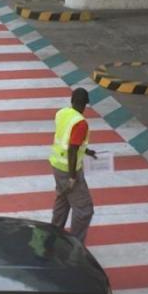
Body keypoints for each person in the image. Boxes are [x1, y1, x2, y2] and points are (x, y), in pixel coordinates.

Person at [49, 87, 97, 243]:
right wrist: (72, 176)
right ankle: (75, 245)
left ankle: (54, 234)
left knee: (63, 201)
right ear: (85, 104)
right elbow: (72, 149)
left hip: (57, 165)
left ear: (71, 100)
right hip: (68, 170)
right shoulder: (80, 123)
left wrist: (87, 151)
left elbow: (69, 141)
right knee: (84, 210)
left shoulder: (62, 113)